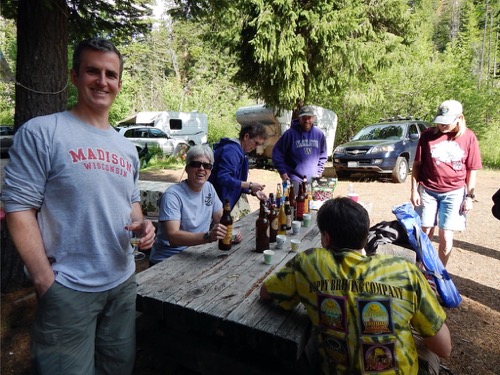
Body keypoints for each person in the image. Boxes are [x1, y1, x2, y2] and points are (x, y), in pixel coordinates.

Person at [1, 38, 155, 374]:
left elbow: (130, 202)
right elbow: (18, 208)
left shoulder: (126, 147)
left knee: (117, 368)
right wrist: (44, 280)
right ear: (74, 76)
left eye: (110, 74)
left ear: (119, 83)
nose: (102, 81)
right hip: (69, 288)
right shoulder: (43, 132)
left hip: (122, 282)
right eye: (92, 71)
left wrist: (144, 226)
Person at [260, 197, 451, 374]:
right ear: (366, 236)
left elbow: (266, 292)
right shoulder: (405, 271)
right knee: (429, 349)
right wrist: (427, 300)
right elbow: (444, 348)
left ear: (326, 238)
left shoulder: (308, 263)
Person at [410, 100, 482, 266]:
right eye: (440, 121)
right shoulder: (427, 135)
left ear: (459, 118)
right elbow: (417, 165)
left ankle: (440, 274)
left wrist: (469, 196)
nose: (442, 125)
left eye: (447, 122)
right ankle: (421, 269)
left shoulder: (468, 137)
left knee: (446, 235)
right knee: (425, 231)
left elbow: (472, 169)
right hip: (427, 190)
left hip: (454, 192)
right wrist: (414, 190)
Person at [150, 144, 240, 265]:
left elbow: (220, 217)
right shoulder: (172, 195)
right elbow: (173, 237)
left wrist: (230, 233)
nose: (202, 169)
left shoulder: (209, 188)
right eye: (196, 164)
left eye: (207, 166)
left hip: (196, 253)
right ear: (187, 168)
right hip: (168, 259)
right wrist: (208, 237)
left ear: (210, 170)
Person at [208, 122, 268, 210]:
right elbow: (223, 178)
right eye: (256, 143)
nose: (256, 147)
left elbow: (236, 181)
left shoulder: (239, 151)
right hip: (216, 203)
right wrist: (249, 185)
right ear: (246, 136)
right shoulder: (232, 151)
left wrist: (252, 191)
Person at [272, 105, 327, 195]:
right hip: (294, 178)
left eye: (309, 118)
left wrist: (319, 171)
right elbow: (277, 153)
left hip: (313, 178)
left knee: (312, 205)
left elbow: (323, 155)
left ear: (313, 118)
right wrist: (282, 172)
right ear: (299, 118)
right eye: (304, 118)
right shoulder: (289, 134)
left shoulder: (319, 134)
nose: (306, 121)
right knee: (295, 204)